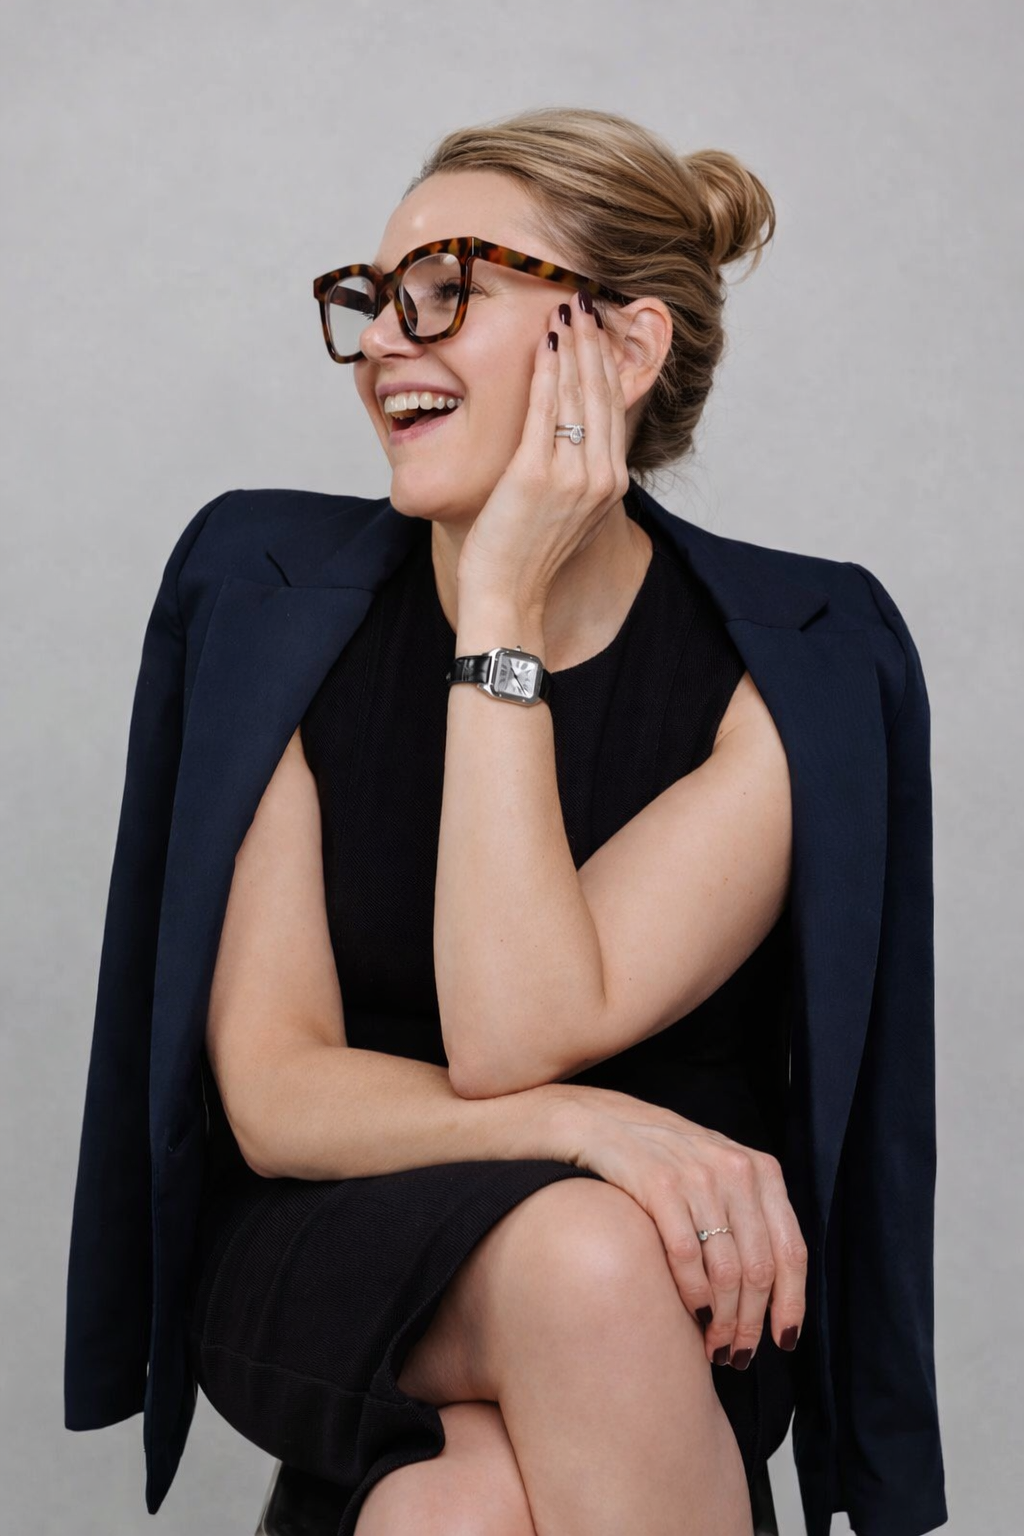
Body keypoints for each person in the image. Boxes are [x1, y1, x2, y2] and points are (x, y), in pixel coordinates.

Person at [64, 108, 948, 1536]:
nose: (389, 343)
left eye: (449, 286)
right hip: (343, 1237)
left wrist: (500, 605)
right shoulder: (267, 591)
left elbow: (516, 1012)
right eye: (375, 298)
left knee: (454, 1516)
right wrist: (597, 1131)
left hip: (686, 1283)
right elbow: (283, 1093)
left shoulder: (804, 651)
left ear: (625, 347)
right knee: (582, 1253)